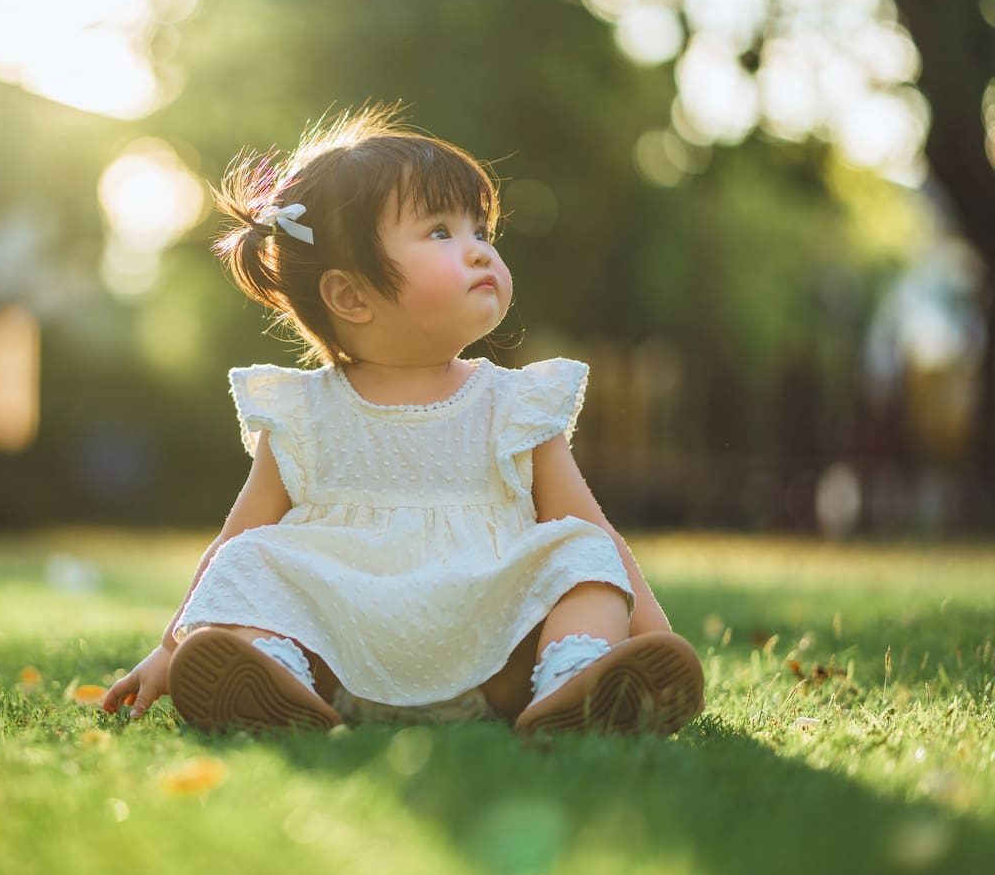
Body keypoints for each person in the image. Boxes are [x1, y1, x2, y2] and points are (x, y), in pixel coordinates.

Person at [102, 106, 704, 735]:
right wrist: (173, 648)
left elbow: (590, 527)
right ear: (350, 295)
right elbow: (234, 544)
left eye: (480, 231)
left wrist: (651, 635)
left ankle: (575, 677)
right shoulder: (303, 413)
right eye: (441, 232)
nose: (477, 252)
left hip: (495, 656)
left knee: (580, 549)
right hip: (341, 654)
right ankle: (271, 675)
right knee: (250, 559)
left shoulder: (517, 404)